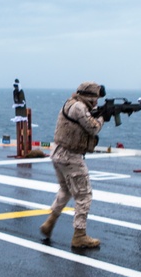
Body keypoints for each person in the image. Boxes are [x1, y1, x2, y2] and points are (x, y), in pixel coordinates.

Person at [39, 81, 106, 249]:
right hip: (70, 156)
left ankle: (49, 223)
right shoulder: (79, 107)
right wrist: (103, 117)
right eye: (95, 98)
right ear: (88, 96)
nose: (97, 101)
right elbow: (92, 128)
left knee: (66, 190)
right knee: (84, 196)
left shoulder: (72, 104)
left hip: (58, 154)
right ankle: (79, 235)